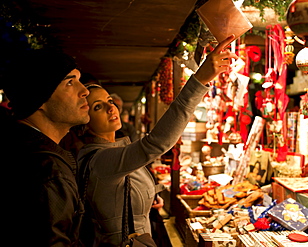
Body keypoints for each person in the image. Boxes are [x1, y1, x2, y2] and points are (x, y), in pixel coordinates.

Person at [76, 35, 238, 246]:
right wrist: (199, 81)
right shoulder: (99, 159)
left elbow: (121, 189)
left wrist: (146, 195)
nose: (111, 108)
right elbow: (155, 144)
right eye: (98, 107)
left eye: (109, 101)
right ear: (84, 121)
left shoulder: (114, 150)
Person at [0, 49, 90, 246]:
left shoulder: (19, 144)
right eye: (70, 82)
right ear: (39, 98)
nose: (85, 91)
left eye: (79, 80)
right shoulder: (48, 171)